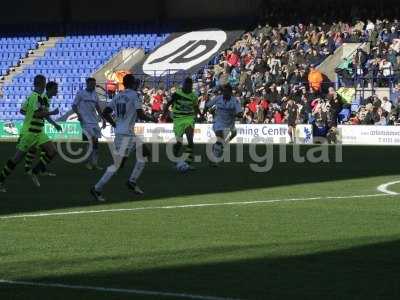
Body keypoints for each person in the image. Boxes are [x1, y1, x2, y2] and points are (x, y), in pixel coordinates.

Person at [91, 75, 152, 202]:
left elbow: (105, 112)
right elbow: (140, 113)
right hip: (126, 136)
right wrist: (150, 118)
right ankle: (97, 188)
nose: (137, 84)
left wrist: (114, 124)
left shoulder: (118, 95)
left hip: (124, 133)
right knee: (118, 165)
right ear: (132, 83)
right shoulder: (134, 95)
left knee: (145, 152)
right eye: (135, 82)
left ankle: (132, 181)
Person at [0, 75, 59, 192]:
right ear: (42, 84)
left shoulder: (35, 97)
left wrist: (33, 114)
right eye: (44, 82)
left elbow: (23, 110)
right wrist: (52, 112)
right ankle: (0, 180)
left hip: (39, 131)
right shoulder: (36, 97)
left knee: (52, 152)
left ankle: (34, 172)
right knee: (16, 159)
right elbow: (37, 114)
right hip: (30, 132)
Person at [23, 81, 62, 176]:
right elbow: (43, 114)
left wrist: (54, 124)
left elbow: (44, 115)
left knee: (40, 149)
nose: (57, 91)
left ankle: (38, 170)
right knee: (35, 149)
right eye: (55, 89)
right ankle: (31, 170)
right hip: (33, 127)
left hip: (38, 126)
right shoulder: (42, 98)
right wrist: (53, 119)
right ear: (49, 89)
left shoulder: (46, 98)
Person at [163, 77, 199, 168]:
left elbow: (195, 107)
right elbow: (168, 104)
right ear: (184, 85)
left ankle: (187, 163)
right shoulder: (177, 94)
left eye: (190, 86)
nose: (188, 87)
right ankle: (174, 160)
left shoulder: (194, 96)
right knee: (179, 142)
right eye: (187, 85)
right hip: (178, 119)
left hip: (189, 118)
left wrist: (199, 115)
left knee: (190, 141)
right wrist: (165, 113)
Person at [202, 84, 243, 165]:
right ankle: (214, 160)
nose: (225, 94)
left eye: (227, 92)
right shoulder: (218, 98)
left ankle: (215, 152)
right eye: (224, 92)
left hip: (229, 124)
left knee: (223, 140)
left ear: (231, 93)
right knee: (220, 138)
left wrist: (237, 115)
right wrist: (203, 114)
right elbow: (207, 105)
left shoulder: (235, 101)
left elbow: (240, 113)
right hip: (218, 122)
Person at [72, 77, 106, 171]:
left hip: (94, 121)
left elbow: (98, 107)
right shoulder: (81, 94)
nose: (94, 86)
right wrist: (78, 114)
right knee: (93, 140)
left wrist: (103, 118)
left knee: (95, 143)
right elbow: (74, 105)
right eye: (92, 84)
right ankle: (88, 163)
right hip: (85, 121)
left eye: (94, 84)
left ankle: (94, 163)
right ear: (87, 84)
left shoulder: (95, 94)